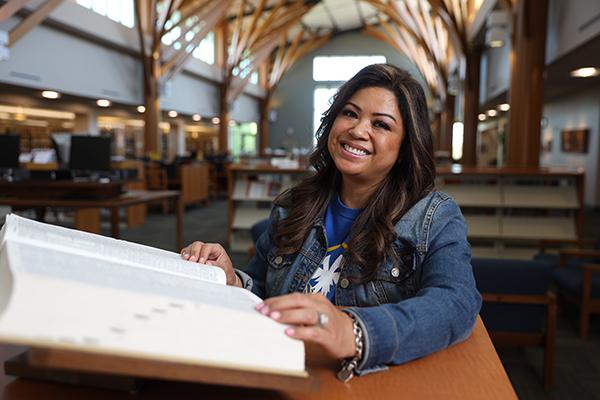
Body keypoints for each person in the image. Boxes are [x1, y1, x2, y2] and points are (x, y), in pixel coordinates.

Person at [181, 64, 481, 380]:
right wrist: (233, 281)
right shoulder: (292, 205)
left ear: (406, 147)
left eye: (380, 124)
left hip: (369, 383)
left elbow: (456, 301)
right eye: (350, 114)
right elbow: (264, 289)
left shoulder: (434, 216)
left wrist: (353, 331)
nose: (357, 130)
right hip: (283, 372)